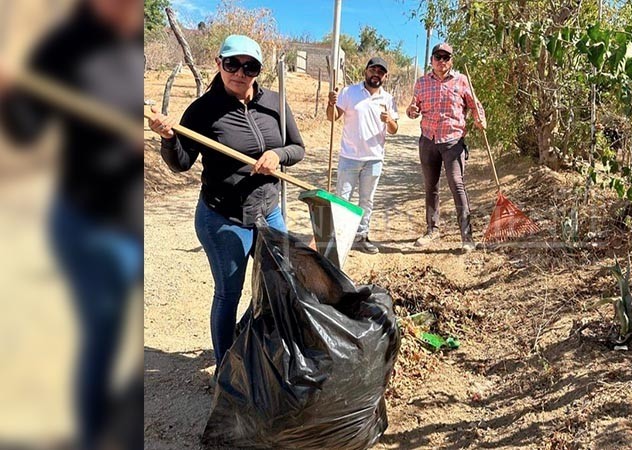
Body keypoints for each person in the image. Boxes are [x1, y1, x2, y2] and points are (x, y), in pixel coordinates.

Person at [0, 0, 143, 448]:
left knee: (121, 331)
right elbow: (25, 129)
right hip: (87, 218)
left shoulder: (133, 48)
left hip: (128, 216)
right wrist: (12, 96)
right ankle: (90, 429)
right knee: (101, 333)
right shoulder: (63, 47)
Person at [147, 34, 306, 370]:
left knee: (278, 282)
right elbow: (181, 163)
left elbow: (297, 148)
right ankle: (226, 369)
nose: (239, 72)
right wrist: (168, 138)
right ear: (218, 63)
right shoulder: (203, 110)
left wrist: (277, 155)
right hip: (223, 218)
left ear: (258, 70)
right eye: (232, 63)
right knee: (228, 293)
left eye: (249, 66)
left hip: (269, 214)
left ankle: (247, 337)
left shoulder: (274, 104)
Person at [406, 43, 486, 253]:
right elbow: (413, 109)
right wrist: (412, 111)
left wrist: (480, 120)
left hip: (453, 141)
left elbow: (475, 105)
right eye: (438, 57)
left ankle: (467, 236)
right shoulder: (421, 83)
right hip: (428, 139)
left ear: (451, 60)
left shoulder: (461, 80)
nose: (442, 61)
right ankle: (432, 230)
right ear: (431, 60)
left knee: (457, 184)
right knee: (430, 186)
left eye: (446, 57)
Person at [326, 56, 399, 254]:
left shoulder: (388, 99)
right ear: (366, 71)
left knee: (366, 200)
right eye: (373, 70)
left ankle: (361, 236)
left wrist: (389, 120)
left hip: (374, 158)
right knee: (342, 198)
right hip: (349, 157)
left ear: (385, 76)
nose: (377, 74)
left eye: (381, 72)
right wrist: (331, 103)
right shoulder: (349, 92)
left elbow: (394, 130)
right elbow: (332, 117)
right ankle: (339, 238)